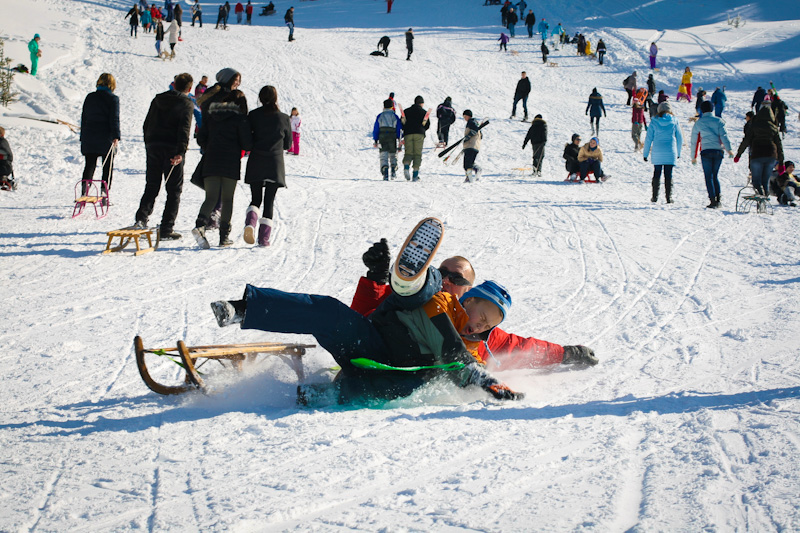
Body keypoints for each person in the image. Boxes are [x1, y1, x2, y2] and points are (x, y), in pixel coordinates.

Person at [350, 240, 598, 371]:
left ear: (469, 293)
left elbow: (522, 348)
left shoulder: (476, 328)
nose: (446, 280)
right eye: (441, 273)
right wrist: (376, 278)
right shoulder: (409, 298)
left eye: (456, 279)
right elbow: (362, 321)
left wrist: (566, 353)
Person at [134, 72, 194, 239]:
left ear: (174, 84)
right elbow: (184, 128)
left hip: (154, 146)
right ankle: (166, 228)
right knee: (174, 190)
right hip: (172, 149)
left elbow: (147, 123)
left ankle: (141, 219)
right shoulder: (186, 103)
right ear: (189, 88)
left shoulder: (158, 99)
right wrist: (181, 152)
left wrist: (149, 142)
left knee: (152, 184)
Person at [191, 90, 252, 248]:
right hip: (230, 163)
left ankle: (200, 225)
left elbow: (201, 137)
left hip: (211, 161)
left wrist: (211, 147)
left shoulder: (212, 115)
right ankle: (224, 237)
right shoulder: (240, 119)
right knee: (227, 199)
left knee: (210, 197)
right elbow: (247, 144)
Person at [243, 85, 291, 246]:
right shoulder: (284, 118)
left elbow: (247, 141)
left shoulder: (253, 115)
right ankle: (263, 239)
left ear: (260, 98)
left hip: (257, 160)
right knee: (269, 201)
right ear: (276, 98)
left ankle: (250, 223)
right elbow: (288, 144)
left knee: (256, 198)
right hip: (274, 163)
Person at [80, 73, 121, 197]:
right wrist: (116, 136)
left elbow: (84, 117)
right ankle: (104, 191)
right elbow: (114, 118)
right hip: (106, 137)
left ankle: (85, 189)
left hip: (89, 136)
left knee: (89, 164)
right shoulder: (113, 99)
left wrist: (83, 136)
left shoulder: (90, 97)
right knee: (107, 166)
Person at [734, 103, 784, 197]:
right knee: (765, 180)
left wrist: (738, 154)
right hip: (771, 156)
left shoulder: (754, 126)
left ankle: (761, 195)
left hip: (757, 154)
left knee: (756, 180)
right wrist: (781, 162)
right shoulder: (774, 128)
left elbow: (746, 140)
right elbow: (779, 145)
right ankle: (765, 197)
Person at [691, 101, 734, 208]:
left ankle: (712, 200)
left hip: (706, 152)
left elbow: (694, 141)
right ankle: (718, 199)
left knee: (708, 176)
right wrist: (729, 150)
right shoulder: (719, 121)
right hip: (718, 151)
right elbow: (724, 136)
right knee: (715, 175)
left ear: (702, 110)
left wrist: (693, 156)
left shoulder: (699, 123)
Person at [643, 101, 682, 203]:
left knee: (657, 173)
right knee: (668, 175)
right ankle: (669, 197)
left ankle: (654, 196)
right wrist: (678, 153)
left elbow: (648, 139)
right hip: (670, 151)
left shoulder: (654, 121)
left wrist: (645, 154)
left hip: (657, 151)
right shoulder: (674, 121)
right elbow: (679, 138)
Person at [401, 95, 430, 182]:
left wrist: (406, 129)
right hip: (419, 134)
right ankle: (415, 175)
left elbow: (402, 122)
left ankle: (406, 167)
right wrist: (422, 129)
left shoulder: (406, 111)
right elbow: (427, 124)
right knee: (417, 154)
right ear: (421, 103)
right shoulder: (424, 112)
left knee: (408, 152)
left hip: (408, 134)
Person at [373, 98, 403, 180]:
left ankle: (385, 171)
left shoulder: (380, 116)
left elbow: (376, 128)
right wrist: (399, 139)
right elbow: (399, 129)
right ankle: (393, 170)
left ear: (384, 107)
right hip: (392, 136)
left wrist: (376, 139)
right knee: (393, 153)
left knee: (383, 154)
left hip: (382, 136)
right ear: (392, 107)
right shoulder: (395, 116)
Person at [462, 110, 482, 183]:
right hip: (472, 146)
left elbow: (474, 130)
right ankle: (469, 177)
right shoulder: (475, 123)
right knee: (467, 164)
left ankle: (472, 175)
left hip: (471, 145)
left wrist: (468, 137)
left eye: (464, 116)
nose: (464, 118)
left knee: (467, 164)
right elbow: (481, 135)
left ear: (468, 116)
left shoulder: (471, 122)